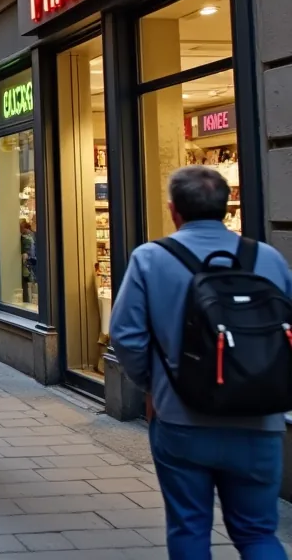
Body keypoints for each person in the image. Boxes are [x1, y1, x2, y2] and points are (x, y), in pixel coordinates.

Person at [111, 166, 292, 558]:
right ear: (226, 207)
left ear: (174, 210)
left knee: (189, 526)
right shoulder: (270, 259)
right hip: (260, 420)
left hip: (181, 418)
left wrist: (154, 385)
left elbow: (125, 336)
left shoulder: (150, 259)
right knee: (259, 533)